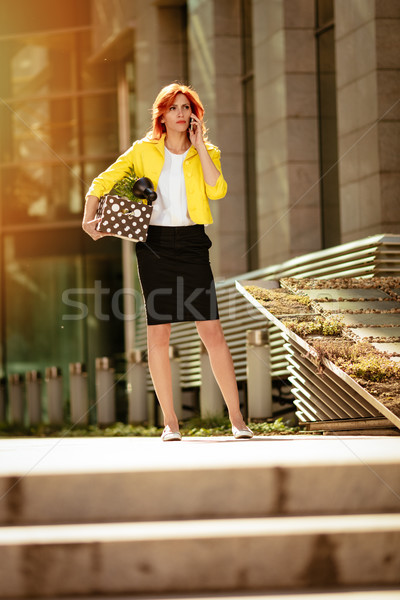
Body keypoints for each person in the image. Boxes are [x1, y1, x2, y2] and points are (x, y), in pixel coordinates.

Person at [82, 82, 253, 442]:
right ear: (162, 114)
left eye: (186, 108)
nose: (180, 113)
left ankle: (237, 420)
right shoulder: (143, 151)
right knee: (159, 334)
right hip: (154, 244)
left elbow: (217, 189)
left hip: (192, 243)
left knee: (212, 331)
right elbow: (102, 180)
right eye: (174, 108)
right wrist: (89, 217)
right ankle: (171, 422)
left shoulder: (207, 151)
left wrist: (201, 145)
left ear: (194, 114)